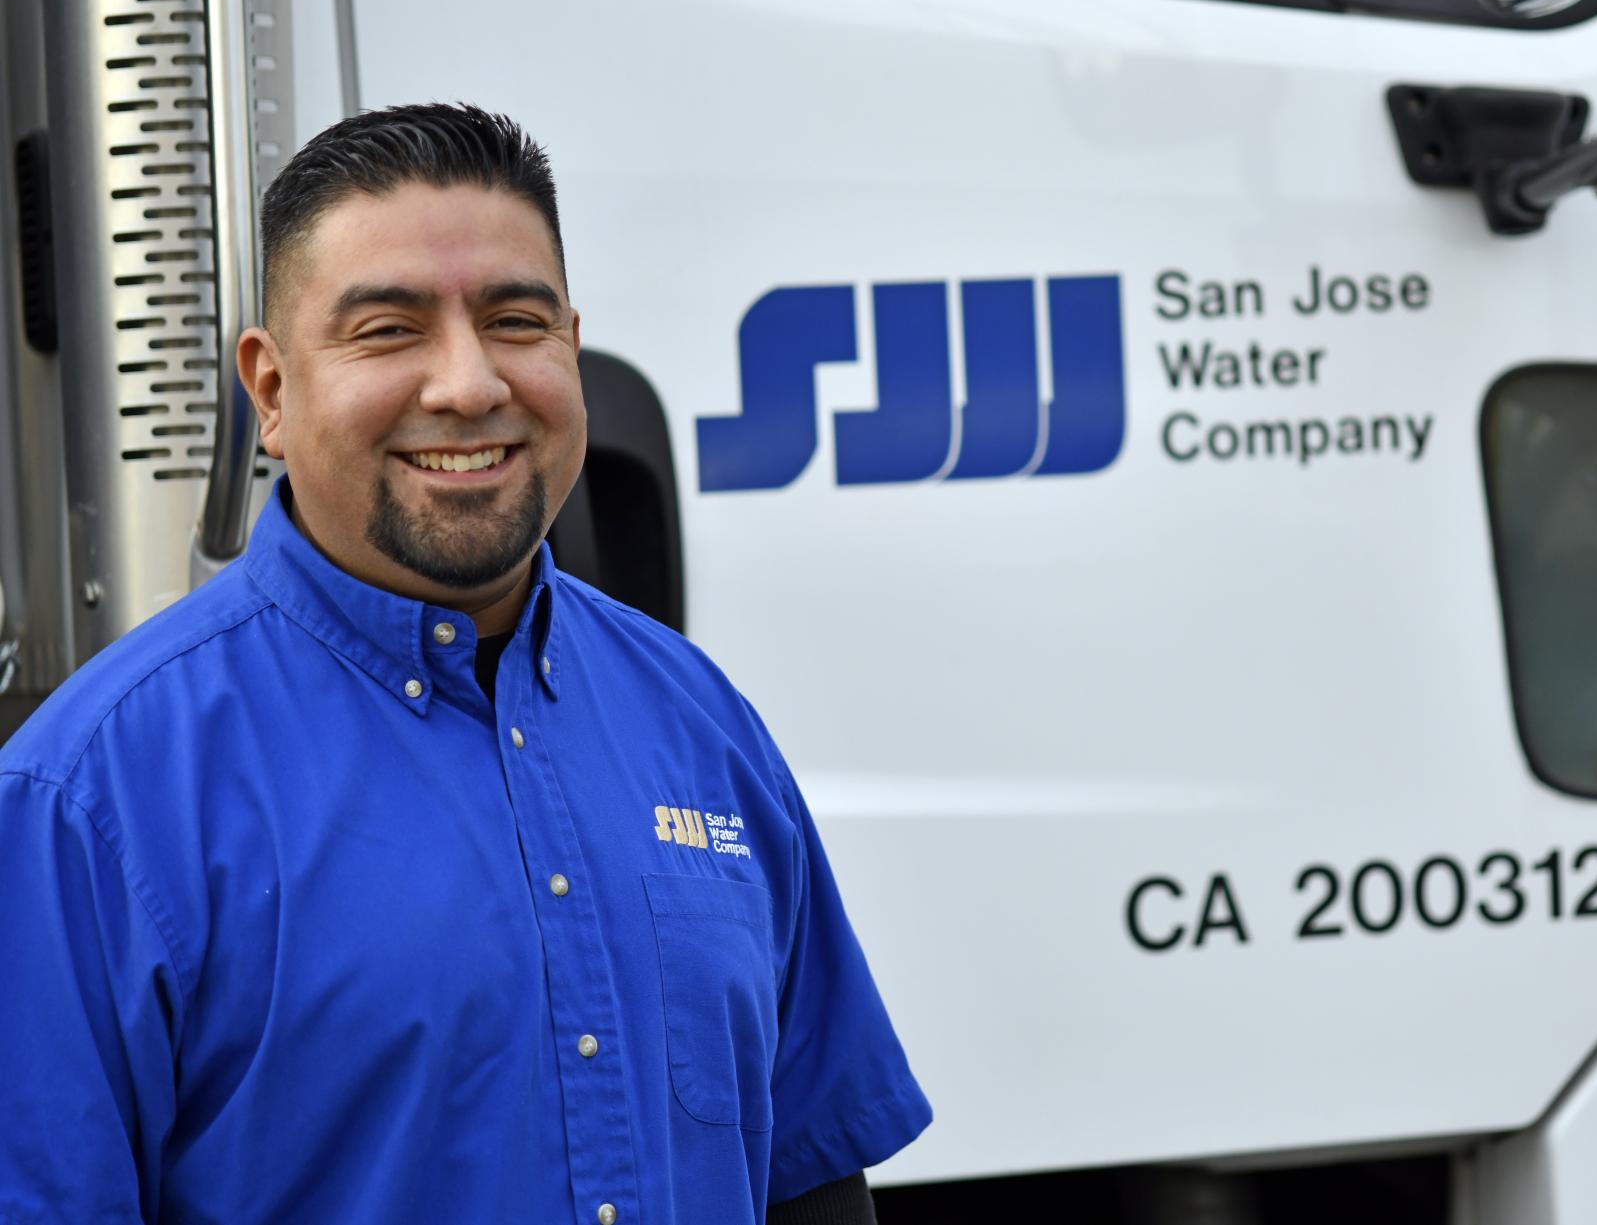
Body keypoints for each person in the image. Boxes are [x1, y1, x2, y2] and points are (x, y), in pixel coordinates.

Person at [0, 104, 930, 1223]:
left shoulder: (700, 721)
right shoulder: (88, 799)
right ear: (272, 392)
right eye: (388, 330)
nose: (468, 384)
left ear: (570, 349)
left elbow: (814, 1184)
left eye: (514, 321)